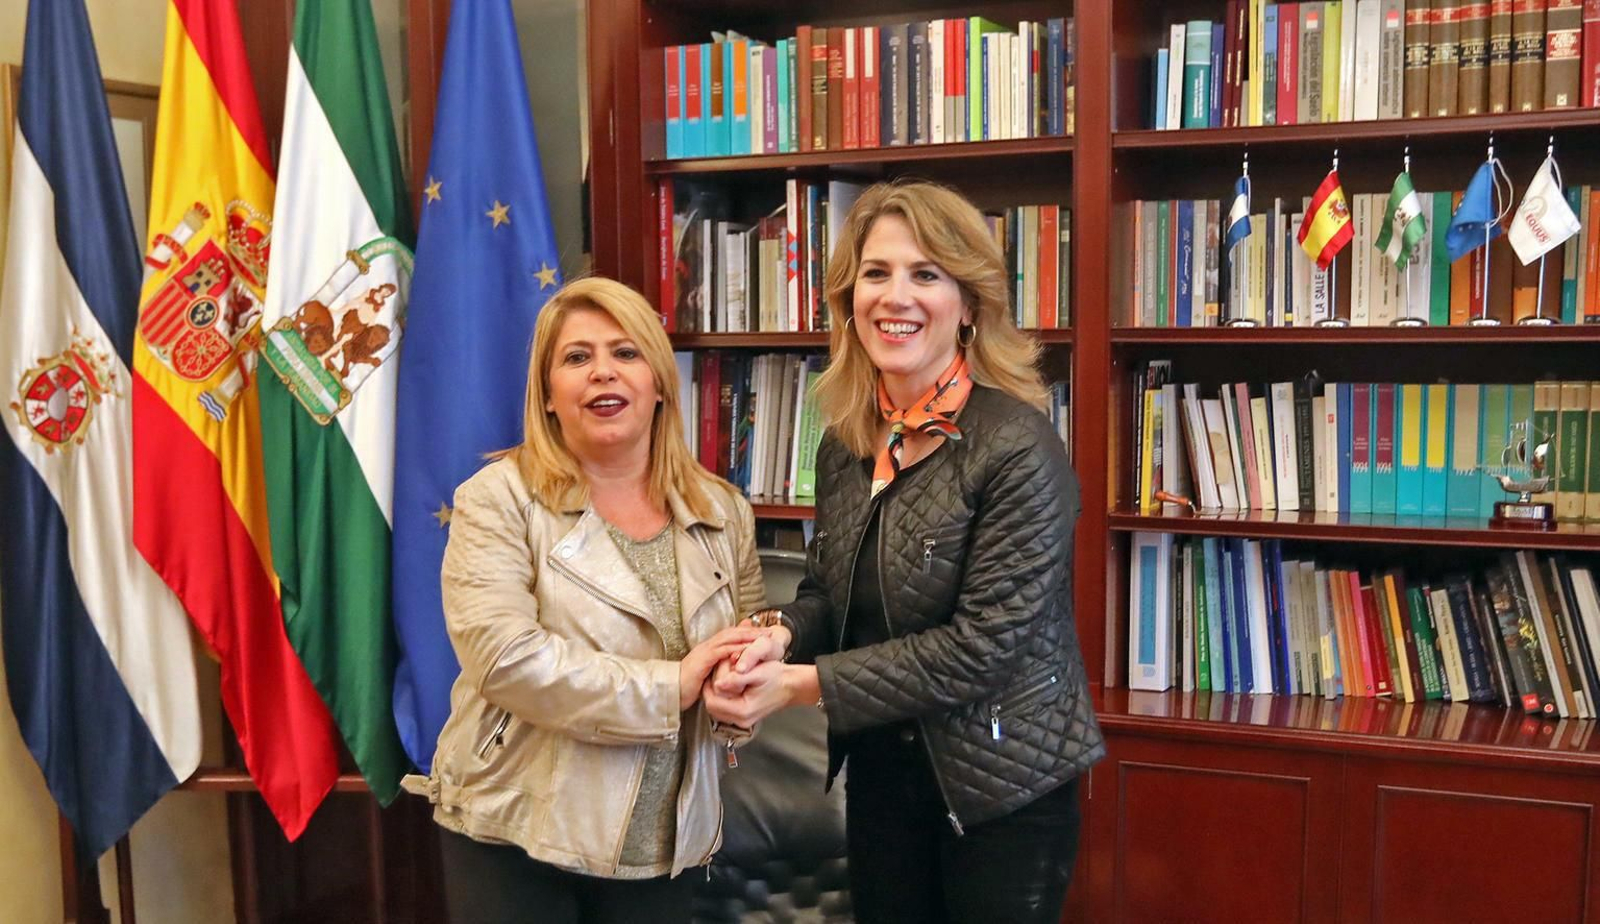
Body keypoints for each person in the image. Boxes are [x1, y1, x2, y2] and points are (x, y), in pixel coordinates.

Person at [702, 181, 1105, 924]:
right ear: (850, 300)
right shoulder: (844, 445)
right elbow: (830, 592)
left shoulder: (1019, 448)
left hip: (1002, 789)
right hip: (885, 777)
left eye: (926, 274)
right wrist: (776, 637)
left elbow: (979, 650)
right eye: (877, 273)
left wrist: (794, 686)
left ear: (969, 304)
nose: (897, 296)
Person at [404, 277, 767, 924]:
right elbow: (505, 660)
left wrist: (739, 700)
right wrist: (672, 685)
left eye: (626, 353)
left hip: (665, 843)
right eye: (577, 358)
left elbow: (742, 654)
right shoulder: (497, 500)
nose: (604, 373)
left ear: (660, 381)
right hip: (518, 831)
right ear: (547, 396)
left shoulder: (723, 510)